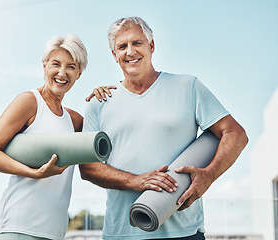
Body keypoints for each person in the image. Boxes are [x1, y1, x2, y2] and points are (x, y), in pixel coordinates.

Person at [80, 17, 248, 240]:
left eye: (137, 43)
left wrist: (209, 175)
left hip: (184, 232)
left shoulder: (188, 87)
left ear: (151, 46)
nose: (130, 51)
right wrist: (136, 180)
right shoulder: (99, 103)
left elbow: (235, 134)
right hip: (121, 233)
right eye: (122, 46)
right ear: (114, 55)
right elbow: (88, 168)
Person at [0, 35, 88, 240]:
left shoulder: (75, 121)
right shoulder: (29, 102)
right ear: (44, 66)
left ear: (79, 73)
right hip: (18, 226)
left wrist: (102, 95)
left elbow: (102, 144)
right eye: (56, 64)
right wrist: (34, 173)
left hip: (54, 231)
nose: (62, 73)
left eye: (71, 67)